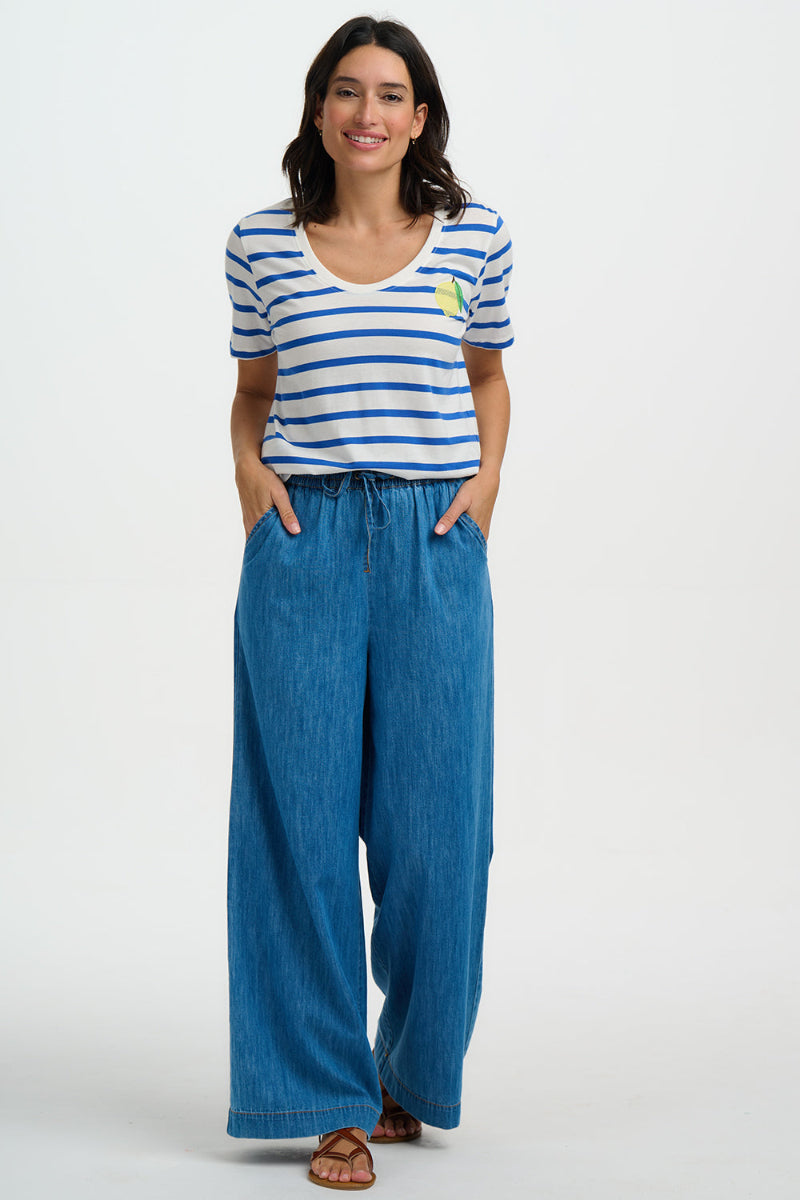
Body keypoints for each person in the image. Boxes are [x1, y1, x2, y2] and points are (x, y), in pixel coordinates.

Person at [223, 14, 513, 1190]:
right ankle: (324, 1100)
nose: (367, 112)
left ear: (419, 117)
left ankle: (408, 1073)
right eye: (346, 91)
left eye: (390, 94)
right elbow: (252, 392)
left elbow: (487, 375)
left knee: (438, 831)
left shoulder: (475, 237)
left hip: (434, 541)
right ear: (318, 109)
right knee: (294, 826)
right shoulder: (260, 242)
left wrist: (484, 488)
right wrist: (251, 483)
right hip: (304, 540)